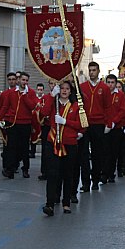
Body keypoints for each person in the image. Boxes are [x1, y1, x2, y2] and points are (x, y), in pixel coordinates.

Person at [41, 80, 83, 216]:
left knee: (67, 173)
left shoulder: (76, 106)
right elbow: (43, 112)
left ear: (70, 91)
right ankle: (50, 204)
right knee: (52, 174)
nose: (64, 91)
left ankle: (66, 202)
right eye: (62, 88)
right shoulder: (54, 104)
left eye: (67, 89)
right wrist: (52, 96)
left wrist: (66, 122)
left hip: (69, 143)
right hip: (53, 142)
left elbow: (82, 125)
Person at [0, 72, 38, 179]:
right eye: (23, 80)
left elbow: (32, 106)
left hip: (25, 124)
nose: (24, 82)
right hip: (13, 123)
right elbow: (5, 107)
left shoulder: (31, 93)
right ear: (18, 80)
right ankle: (10, 170)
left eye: (26, 80)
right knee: (11, 147)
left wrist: (24, 96)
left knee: (24, 148)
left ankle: (25, 169)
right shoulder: (11, 93)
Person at [78, 61, 111, 190]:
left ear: (98, 71)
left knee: (98, 153)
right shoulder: (83, 87)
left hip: (99, 124)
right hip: (85, 124)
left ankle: (96, 180)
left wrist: (108, 123)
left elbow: (108, 107)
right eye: (90, 70)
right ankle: (85, 182)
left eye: (94, 70)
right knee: (84, 154)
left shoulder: (104, 88)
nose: (91, 72)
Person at [104, 73, 125, 180]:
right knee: (104, 151)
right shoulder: (102, 94)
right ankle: (103, 173)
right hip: (104, 126)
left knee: (114, 152)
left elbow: (123, 111)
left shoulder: (120, 95)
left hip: (116, 127)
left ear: (116, 83)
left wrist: (114, 122)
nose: (110, 85)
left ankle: (111, 174)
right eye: (108, 82)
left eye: (112, 82)